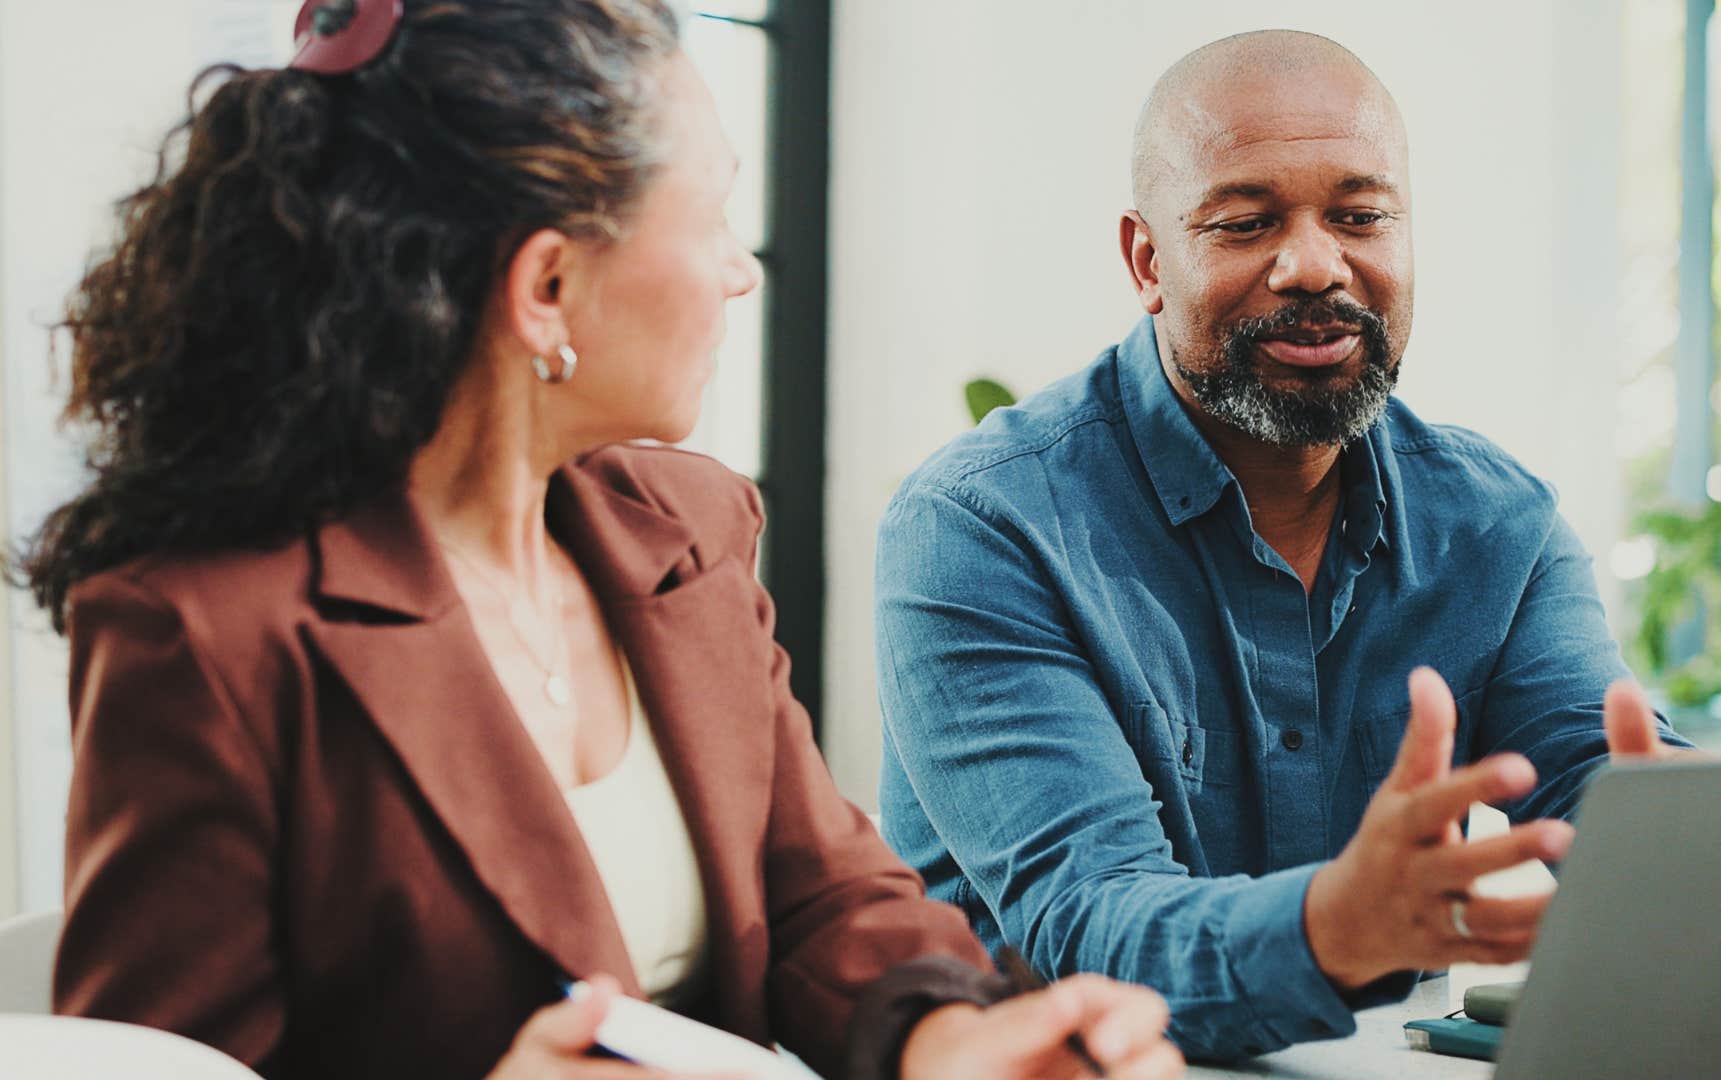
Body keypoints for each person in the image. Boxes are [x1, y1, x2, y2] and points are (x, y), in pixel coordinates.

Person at [21, 3, 1185, 1078]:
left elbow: (822, 898)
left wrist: (948, 1040)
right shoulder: (203, 631)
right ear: (548, 285)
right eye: (714, 213)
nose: (739, 272)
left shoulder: (688, 532)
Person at [873, 29, 1696, 1062]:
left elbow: (1607, 786)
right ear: (1147, 260)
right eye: (1247, 221)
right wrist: (1334, 927)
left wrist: (1689, 846)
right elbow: (1088, 924)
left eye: (1361, 217)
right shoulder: (985, 528)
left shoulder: (1498, 525)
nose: (1315, 265)